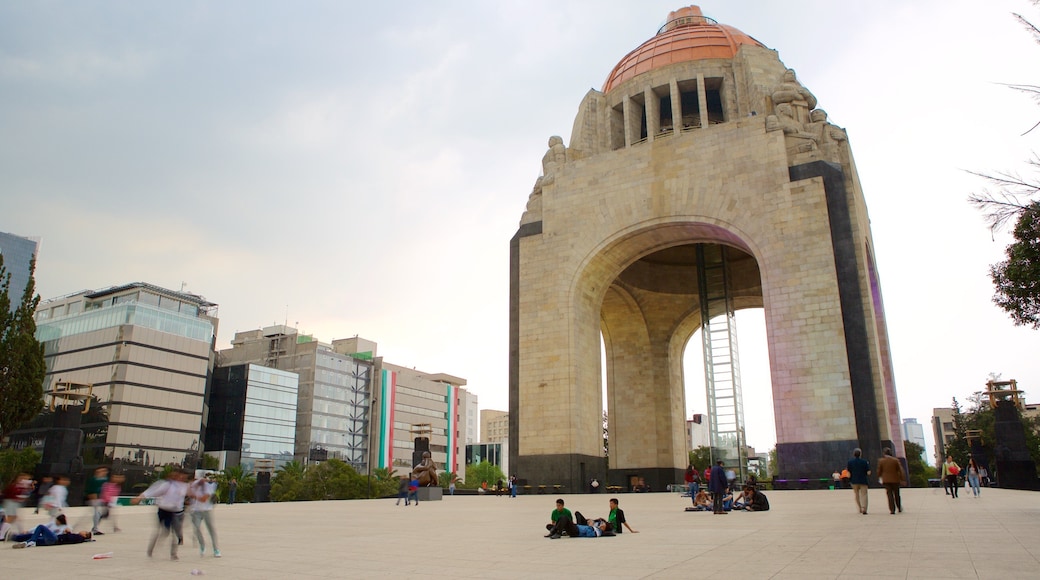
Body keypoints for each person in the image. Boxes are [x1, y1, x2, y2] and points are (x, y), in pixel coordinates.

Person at [132, 468, 190, 560]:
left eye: (184, 477)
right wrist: (139, 497)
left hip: (175, 512)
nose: (182, 478)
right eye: (180, 476)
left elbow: (191, 494)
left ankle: (173, 554)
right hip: (163, 510)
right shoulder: (167, 484)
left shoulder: (185, 486)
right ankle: (151, 549)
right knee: (161, 531)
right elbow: (152, 491)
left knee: (174, 533)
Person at [9, 514, 91, 548]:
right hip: (49, 540)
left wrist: (67, 532)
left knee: (40, 527)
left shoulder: (79, 538)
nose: (83, 531)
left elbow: (70, 538)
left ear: (85, 535)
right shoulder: (77, 536)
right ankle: (14, 538)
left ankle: (31, 542)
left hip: (55, 539)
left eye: (85, 532)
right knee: (32, 536)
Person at [189, 473, 220, 557]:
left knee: (211, 529)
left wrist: (194, 496)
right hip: (196, 510)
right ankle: (202, 545)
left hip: (207, 510)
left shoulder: (211, 485)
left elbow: (203, 499)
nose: (205, 479)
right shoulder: (196, 483)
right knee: (197, 528)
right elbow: (189, 491)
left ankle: (216, 549)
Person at [876, 447, 907, 515]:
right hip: (895, 480)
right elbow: (900, 470)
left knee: (889, 495)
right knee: (897, 494)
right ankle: (899, 507)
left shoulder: (881, 461)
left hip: (886, 480)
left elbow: (879, 471)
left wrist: (879, 476)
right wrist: (902, 479)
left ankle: (892, 510)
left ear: (884, 453)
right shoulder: (895, 460)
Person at [2, 472, 34, 537]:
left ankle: (20, 531)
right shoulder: (15, 486)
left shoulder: (18, 486)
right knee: (10, 518)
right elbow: (11, 494)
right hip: (11, 502)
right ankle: (1, 534)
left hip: (13, 502)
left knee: (15, 518)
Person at [85, 466, 109, 535]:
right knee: (96, 513)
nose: (104, 472)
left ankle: (95, 527)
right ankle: (95, 529)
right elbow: (89, 490)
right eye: (102, 471)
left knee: (101, 513)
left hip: (102, 499)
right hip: (95, 499)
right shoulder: (93, 480)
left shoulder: (105, 480)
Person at [847, 448, 871, 515]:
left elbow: (848, 473)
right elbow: (868, 472)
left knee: (856, 495)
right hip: (863, 480)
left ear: (853, 454)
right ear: (860, 454)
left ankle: (860, 508)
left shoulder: (850, 462)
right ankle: (864, 508)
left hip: (854, 481)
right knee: (864, 495)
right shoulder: (865, 462)